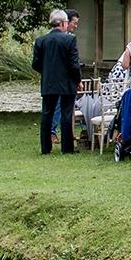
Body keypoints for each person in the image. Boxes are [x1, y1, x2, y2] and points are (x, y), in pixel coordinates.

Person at [32, 9, 80, 155]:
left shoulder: (41, 41)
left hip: (49, 82)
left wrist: (47, 72)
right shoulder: (70, 40)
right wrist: (77, 80)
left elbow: (35, 63)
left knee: (47, 114)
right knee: (66, 114)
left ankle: (46, 148)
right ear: (63, 23)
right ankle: (67, 148)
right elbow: (74, 64)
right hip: (66, 82)